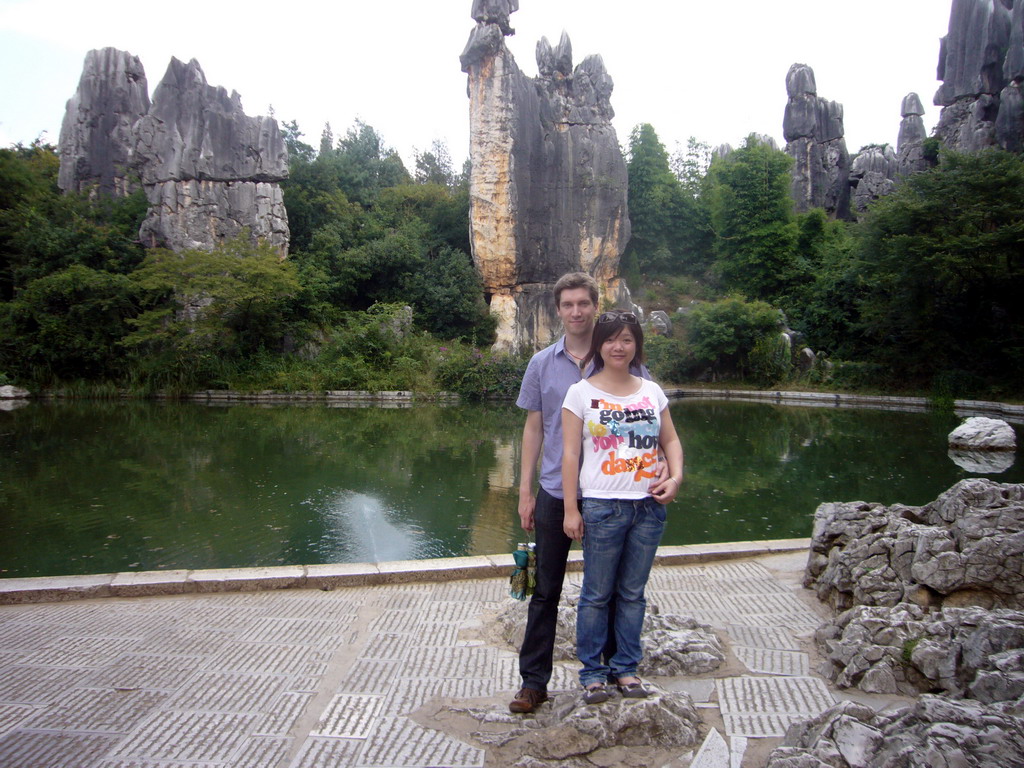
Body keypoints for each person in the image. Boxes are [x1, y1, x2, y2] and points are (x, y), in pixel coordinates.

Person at [508, 273, 670, 714]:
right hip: (557, 492)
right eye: (568, 305)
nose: (576, 312)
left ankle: (617, 669)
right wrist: (524, 492)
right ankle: (533, 682)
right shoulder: (542, 363)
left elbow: (651, 422)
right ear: (558, 310)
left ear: (595, 307)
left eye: (583, 304)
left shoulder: (626, 363)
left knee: (616, 588)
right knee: (545, 590)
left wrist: (663, 468)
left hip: (616, 495)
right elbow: (533, 428)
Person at [561, 309, 684, 704]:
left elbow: (672, 442)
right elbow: (568, 457)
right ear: (599, 344)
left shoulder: (652, 391)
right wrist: (570, 509)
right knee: (596, 594)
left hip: (648, 507)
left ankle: (626, 669)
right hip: (601, 506)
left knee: (633, 593)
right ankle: (593, 672)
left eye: (627, 339)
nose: (619, 346)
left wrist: (676, 478)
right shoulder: (581, 393)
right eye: (612, 339)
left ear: (637, 346)